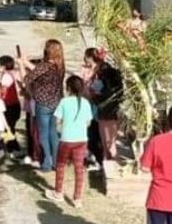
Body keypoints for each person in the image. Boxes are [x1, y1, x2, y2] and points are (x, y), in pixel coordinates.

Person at [46, 75, 94, 208]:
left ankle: (58, 193)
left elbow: (57, 121)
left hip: (66, 139)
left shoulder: (64, 102)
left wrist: (61, 128)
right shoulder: (85, 103)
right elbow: (88, 123)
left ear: (68, 87)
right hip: (81, 140)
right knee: (79, 169)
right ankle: (77, 199)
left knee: (60, 165)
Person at [21, 39, 65, 172]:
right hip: (55, 103)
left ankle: (47, 160)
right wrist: (27, 62)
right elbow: (39, 70)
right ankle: (57, 161)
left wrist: (22, 64)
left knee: (43, 134)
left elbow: (27, 78)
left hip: (43, 103)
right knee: (53, 132)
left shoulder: (44, 66)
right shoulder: (60, 65)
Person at [84, 48, 124, 176]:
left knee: (108, 142)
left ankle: (110, 167)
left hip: (107, 112)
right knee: (106, 141)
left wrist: (94, 96)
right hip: (104, 112)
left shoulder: (106, 77)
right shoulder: (107, 76)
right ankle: (106, 166)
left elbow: (102, 93)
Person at [0, 55, 23, 155]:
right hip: (13, 105)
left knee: (7, 127)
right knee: (10, 127)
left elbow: (3, 91)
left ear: (3, 66)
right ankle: (14, 146)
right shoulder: (9, 74)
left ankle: (10, 147)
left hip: (9, 106)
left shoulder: (6, 77)